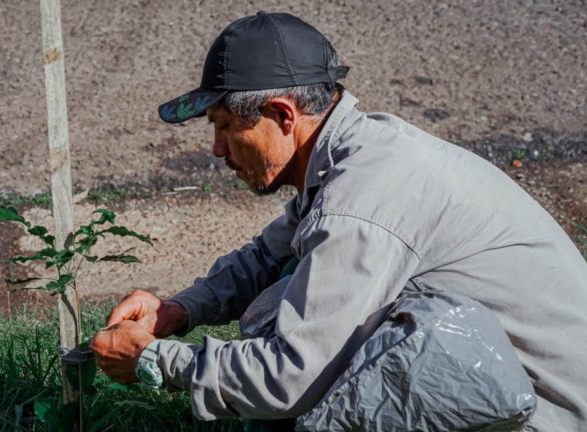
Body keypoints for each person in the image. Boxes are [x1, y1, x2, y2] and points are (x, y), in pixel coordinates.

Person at [91, 11, 587, 431]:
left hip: (549, 411)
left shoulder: (361, 199)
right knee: (285, 286)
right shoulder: (353, 152)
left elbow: (287, 379)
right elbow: (268, 256)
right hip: (506, 373)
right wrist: (177, 311)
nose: (218, 149)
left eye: (224, 126)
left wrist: (156, 361)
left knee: (303, 381)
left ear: (283, 116)